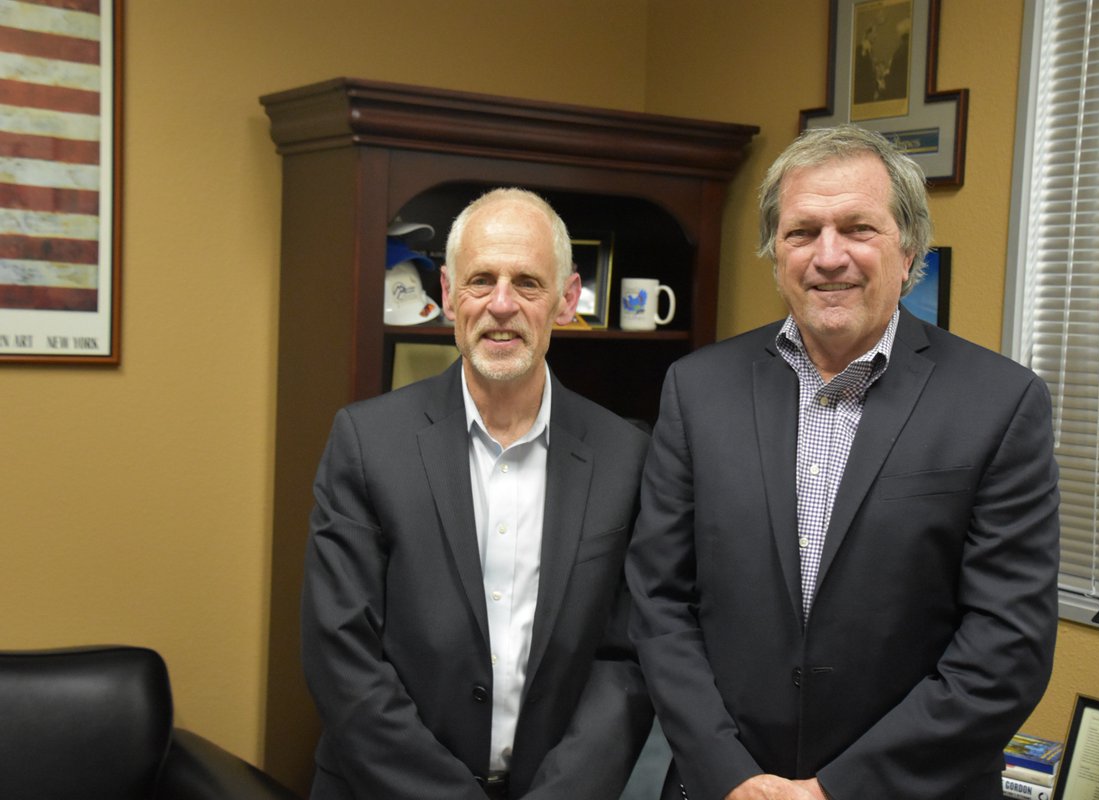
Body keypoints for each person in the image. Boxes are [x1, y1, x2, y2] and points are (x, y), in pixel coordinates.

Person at [626, 125, 1060, 800]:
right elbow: (658, 602)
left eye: (858, 228)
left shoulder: (1000, 403)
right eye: (802, 233)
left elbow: (1007, 646)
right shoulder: (696, 389)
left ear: (908, 249)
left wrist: (837, 790)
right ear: (776, 255)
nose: (829, 257)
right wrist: (731, 774)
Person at [302, 188, 654, 799]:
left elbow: (628, 659)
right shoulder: (367, 442)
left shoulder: (626, 458)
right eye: (481, 280)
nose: (501, 305)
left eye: (528, 283)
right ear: (447, 293)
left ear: (567, 299)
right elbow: (341, 656)